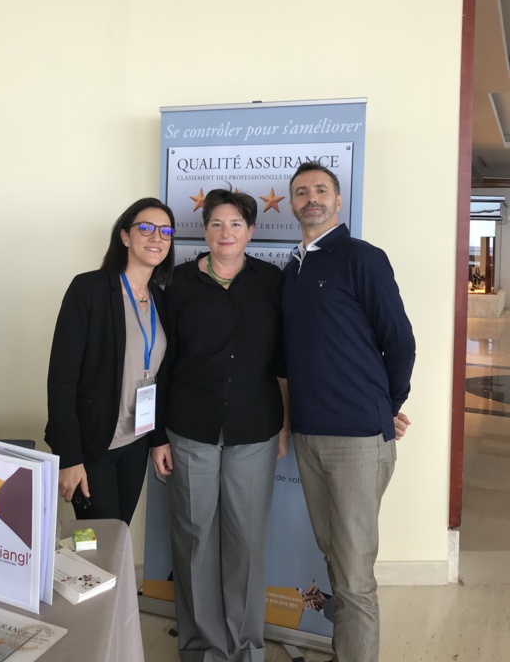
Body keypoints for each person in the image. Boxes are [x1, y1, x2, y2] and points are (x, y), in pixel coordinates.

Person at [282, 162, 415, 662]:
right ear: (292, 204)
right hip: (308, 435)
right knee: (335, 556)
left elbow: (400, 342)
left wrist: (386, 406)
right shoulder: (292, 269)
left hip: (358, 438)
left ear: (338, 201)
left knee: (355, 576)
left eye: (321, 190)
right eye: (301, 192)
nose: (311, 198)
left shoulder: (363, 258)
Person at [151, 188, 289, 662]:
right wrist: (156, 437)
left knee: (246, 545)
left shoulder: (271, 281)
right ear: (204, 230)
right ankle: (202, 648)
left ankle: (245, 648)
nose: (225, 232)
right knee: (195, 541)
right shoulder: (178, 282)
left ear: (251, 231)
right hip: (190, 429)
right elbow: (163, 364)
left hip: (255, 429)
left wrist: (284, 424)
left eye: (235, 224)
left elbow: (282, 360)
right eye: (216, 223)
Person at [45, 197, 175, 524]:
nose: (156, 237)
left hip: (137, 441)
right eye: (146, 228)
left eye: (165, 231)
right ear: (125, 236)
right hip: (93, 446)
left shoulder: (160, 298)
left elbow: (158, 378)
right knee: (97, 542)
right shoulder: (89, 289)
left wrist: (157, 439)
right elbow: (61, 378)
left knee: (118, 535)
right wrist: (69, 457)